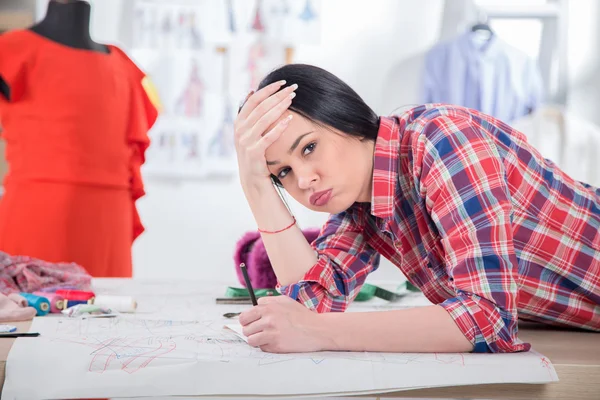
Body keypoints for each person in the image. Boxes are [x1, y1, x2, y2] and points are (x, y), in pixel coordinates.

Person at [234, 63, 600, 354]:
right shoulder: (359, 206)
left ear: (344, 117)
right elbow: (311, 304)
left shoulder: (444, 140)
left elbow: (487, 319)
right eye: (282, 172)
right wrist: (256, 186)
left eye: (309, 148)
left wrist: (316, 332)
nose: (303, 180)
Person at [0, 0, 158, 277]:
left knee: (109, 312)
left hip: (108, 221)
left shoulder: (123, 63)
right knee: (33, 310)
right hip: (39, 216)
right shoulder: (10, 50)